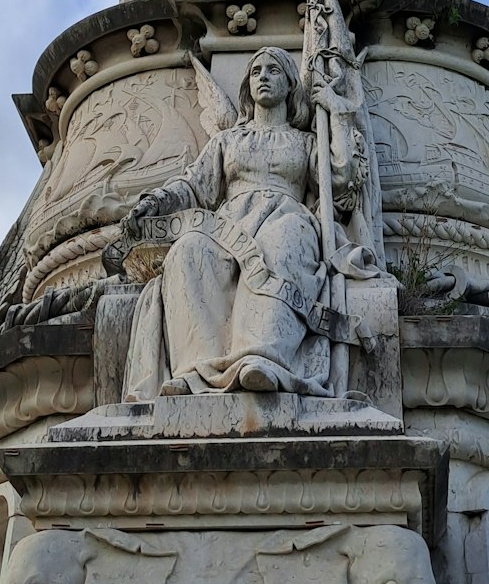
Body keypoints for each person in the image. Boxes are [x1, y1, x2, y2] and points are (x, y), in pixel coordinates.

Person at [120, 46, 375, 399]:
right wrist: (156, 201)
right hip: (229, 225)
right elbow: (194, 186)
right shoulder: (228, 140)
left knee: (283, 243)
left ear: (289, 84)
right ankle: (198, 370)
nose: (263, 78)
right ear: (247, 87)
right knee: (189, 251)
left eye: (273, 71)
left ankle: (263, 358)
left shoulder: (306, 142)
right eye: (256, 72)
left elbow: (341, 181)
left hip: (287, 216)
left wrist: (335, 110)